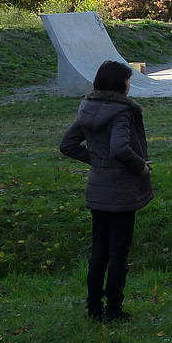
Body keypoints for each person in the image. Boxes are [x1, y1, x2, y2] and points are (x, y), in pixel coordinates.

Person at [59, 60, 153, 322]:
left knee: (99, 250)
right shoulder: (121, 112)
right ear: (120, 85)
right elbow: (120, 149)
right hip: (121, 191)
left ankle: (93, 307)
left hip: (98, 189)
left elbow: (67, 144)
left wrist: (97, 162)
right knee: (118, 252)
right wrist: (141, 167)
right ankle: (114, 308)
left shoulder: (88, 108)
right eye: (128, 80)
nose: (129, 85)